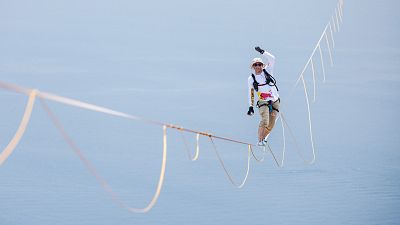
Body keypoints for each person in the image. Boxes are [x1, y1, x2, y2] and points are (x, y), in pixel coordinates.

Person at [246, 46, 280, 146]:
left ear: (262, 65)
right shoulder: (251, 79)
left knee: (271, 124)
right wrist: (250, 106)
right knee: (265, 120)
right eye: (255, 65)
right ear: (253, 66)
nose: (258, 66)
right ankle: (260, 141)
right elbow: (251, 93)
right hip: (263, 101)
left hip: (274, 100)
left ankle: (263, 138)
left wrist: (262, 52)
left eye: (259, 64)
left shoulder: (268, 70)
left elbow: (272, 58)